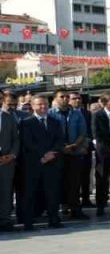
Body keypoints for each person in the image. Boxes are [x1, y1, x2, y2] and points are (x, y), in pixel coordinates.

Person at [19, 95, 65, 230]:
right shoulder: (26, 122)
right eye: (39, 104)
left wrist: (51, 154)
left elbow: (60, 140)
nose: (43, 107)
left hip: (52, 162)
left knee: (52, 192)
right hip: (34, 163)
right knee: (30, 193)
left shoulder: (55, 122)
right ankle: (28, 222)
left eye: (45, 104)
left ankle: (54, 219)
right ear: (33, 106)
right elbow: (28, 142)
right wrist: (43, 155)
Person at [49, 90, 89, 220]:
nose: (65, 99)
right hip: (57, 153)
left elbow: (82, 132)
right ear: (55, 98)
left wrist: (74, 146)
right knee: (57, 182)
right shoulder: (50, 114)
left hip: (74, 152)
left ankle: (75, 209)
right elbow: (49, 134)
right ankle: (57, 210)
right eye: (62, 96)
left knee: (74, 182)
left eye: (67, 97)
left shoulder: (77, 114)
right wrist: (62, 147)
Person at [91, 92, 110, 216]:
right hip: (103, 152)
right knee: (102, 178)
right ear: (105, 102)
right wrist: (109, 149)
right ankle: (100, 205)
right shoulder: (98, 115)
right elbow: (97, 135)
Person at [0, 90, 18, 231]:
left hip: (6, 161)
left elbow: (16, 139)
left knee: (6, 192)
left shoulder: (8, 116)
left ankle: (5, 220)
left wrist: (12, 155)